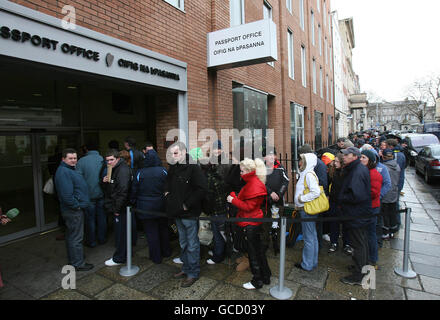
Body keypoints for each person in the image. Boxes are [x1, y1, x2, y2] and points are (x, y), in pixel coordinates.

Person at [165, 142, 207, 288]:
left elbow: (202, 189)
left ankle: (193, 273)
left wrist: (186, 205)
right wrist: (168, 195)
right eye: (172, 153)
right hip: (176, 213)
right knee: (183, 243)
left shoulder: (193, 168)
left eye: (175, 153)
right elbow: (167, 184)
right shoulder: (173, 167)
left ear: (183, 153)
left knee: (192, 245)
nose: (173, 156)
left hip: (189, 214)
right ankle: (186, 268)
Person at [227, 158, 271, 289]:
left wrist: (232, 200)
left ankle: (257, 280)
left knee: (253, 253)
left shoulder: (253, 184)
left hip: (250, 221)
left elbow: (248, 207)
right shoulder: (253, 182)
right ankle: (265, 276)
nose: (240, 173)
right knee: (258, 251)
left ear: (248, 171)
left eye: (242, 171)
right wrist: (235, 197)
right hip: (253, 220)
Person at [54, 148, 93, 271]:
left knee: (72, 236)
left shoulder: (69, 169)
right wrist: (77, 206)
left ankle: (75, 258)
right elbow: (66, 196)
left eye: (75, 158)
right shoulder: (64, 172)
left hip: (73, 210)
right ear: (63, 159)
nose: (73, 161)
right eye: (70, 158)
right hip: (73, 211)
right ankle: (78, 263)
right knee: (76, 237)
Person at [338, 147, 373, 285]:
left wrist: (342, 197)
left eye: (347, 155)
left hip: (356, 214)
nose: (344, 157)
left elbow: (356, 195)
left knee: (358, 244)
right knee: (361, 242)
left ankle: (359, 275)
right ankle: (362, 267)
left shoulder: (357, 171)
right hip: (359, 213)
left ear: (354, 156)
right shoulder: (355, 168)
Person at [130, 149, 170, 264]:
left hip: (145, 207)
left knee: (151, 233)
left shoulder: (139, 173)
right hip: (161, 205)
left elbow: (134, 190)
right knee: (163, 229)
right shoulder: (163, 171)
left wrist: (133, 202)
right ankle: (166, 251)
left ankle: (156, 257)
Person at [101, 149, 134, 267]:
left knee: (121, 234)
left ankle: (119, 258)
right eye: (107, 160)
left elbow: (123, 192)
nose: (109, 162)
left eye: (111, 160)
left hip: (121, 208)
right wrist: (105, 181)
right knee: (122, 233)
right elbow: (112, 188)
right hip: (118, 206)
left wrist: (116, 209)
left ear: (118, 159)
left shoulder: (122, 170)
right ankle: (123, 254)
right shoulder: (114, 169)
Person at [76, 142, 106, 247]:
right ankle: (102, 239)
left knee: (90, 219)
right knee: (102, 218)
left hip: (88, 196)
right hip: (102, 194)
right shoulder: (103, 159)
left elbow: (78, 180)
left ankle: (92, 241)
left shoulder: (81, 161)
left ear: (86, 149)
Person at [293, 153, 321, 271]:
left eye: (301, 160)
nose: (299, 162)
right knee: (312, 236)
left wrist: (301, 199)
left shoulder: (308, 174)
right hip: (306, 209)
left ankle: (307, 264)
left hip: (306, 209)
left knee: (309, 237)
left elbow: (316, 192)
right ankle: (312, 262)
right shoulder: (307, 173)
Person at [200, 158, 228, 265]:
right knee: (220, 233)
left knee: (218, 234)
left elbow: (208, 197)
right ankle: (219, 251)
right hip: (222, 208)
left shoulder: (208, 179)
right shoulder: (216, 175)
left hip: (216, 210)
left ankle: (218, 257)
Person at [263, 147, 289, 255]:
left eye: (273, 155)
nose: (271, 157)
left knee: (277, 225)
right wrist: (270, 193)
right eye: (269, 155)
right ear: (264, 157)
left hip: (278, 202)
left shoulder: (280, 168)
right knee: (265, 225)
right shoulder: (261, 168)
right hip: (265, 202)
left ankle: (277, 246)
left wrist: (279, 194)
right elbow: (260, 182)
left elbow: (286, 181)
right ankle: (265, 245)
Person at [360, 150, 382, 269]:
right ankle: (364, 258)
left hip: (371, 208)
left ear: (370, 160)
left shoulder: (374, 174)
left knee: (370, 234)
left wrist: (359, 192)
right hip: (365, 207)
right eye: (361, 157)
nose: (361, 159)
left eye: (364, 157)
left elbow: (374, 192)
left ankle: (372, 259)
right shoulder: (365, 171)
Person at [328, 153, 351, 253]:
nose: (335, 163)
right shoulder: (333, 172)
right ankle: (334, 242)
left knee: (346, 225)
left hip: (344, 202)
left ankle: (347, 244)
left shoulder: (347, 173)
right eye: (335, 161)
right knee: (334, 223)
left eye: (337, 161)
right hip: (334, 201)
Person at [380, 149, 401, 240]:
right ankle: (392, 231)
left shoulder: (384, 168)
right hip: (394, 193)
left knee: (384, 214)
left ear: (383, 157)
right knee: (392, 213)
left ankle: (385, 232)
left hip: (385, 194)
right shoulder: (397, 166)